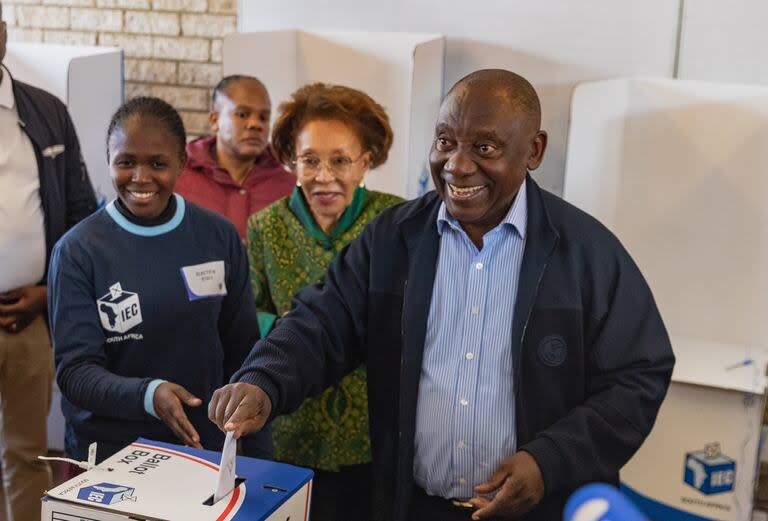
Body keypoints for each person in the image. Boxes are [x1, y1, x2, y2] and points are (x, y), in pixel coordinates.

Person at [209, 69, 675, 521]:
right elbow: (324, 322)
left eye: (484, 147)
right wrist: (263, 378)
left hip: (542, 509)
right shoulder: (393, 239)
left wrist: (548, 461)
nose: (456, 164)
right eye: (445, 141)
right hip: (413, 506)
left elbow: (637, 376)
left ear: (534, 150)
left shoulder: (587, 253)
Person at [48, 97, 263, 463]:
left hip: (200, 446)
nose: (140, 178)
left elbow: (243, 351)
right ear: (109, 158)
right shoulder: (78, 251)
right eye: (126, 162)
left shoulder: (218, 237)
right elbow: (76, 374)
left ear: (182, 161)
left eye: (158, 164)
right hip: (110, 450)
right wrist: (150, 394)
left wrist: (257, 456)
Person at [248, 83, 404, 520]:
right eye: (310, 160)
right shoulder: (266, 226)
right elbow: (249, 311)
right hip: (290, 427)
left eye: (340, 160)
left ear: (366, 162)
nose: (324, 176)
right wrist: (282, 327)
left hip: (374, 429)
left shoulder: (394, 222)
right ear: (290, 161)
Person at [0, 3, 97, 519]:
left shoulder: (45, 111)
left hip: (28, 317)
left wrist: (48, 292)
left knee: (24, 451)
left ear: (3, 33)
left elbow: (81, 213)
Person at [175, 75, 296, 240]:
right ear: (215, 120)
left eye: (263, 117)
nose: (255, 124)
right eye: (242, 114)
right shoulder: (179, 177)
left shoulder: (289, 188)